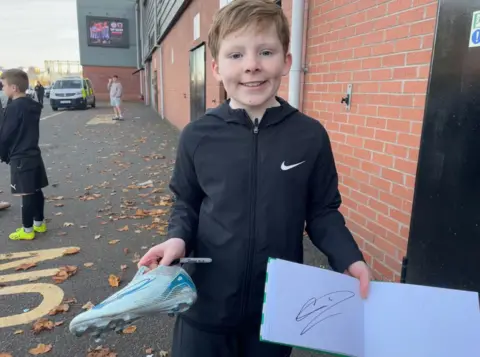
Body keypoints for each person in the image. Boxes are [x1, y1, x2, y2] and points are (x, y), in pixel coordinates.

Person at [138, 1, 371, 356]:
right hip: (205, 307)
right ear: (216, 67)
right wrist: (177, 240)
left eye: (266, 51)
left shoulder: (309, 136)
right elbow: (186, 202)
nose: (251, 65)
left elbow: (322, 211)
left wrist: (348, 258)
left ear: (286, 61)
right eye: (236, 55)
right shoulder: (197, 136)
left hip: (275, 311)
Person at [0, 69, 48, 240]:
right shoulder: (32, 105)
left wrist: (3, 154)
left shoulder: (13, 108)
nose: (2, 88)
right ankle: (39, 223)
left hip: (20, 156)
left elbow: (5, 134)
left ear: (13, 87)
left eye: (3, 85)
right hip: (33, 154)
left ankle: (27, 230)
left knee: (25, 193)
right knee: (36, 189)